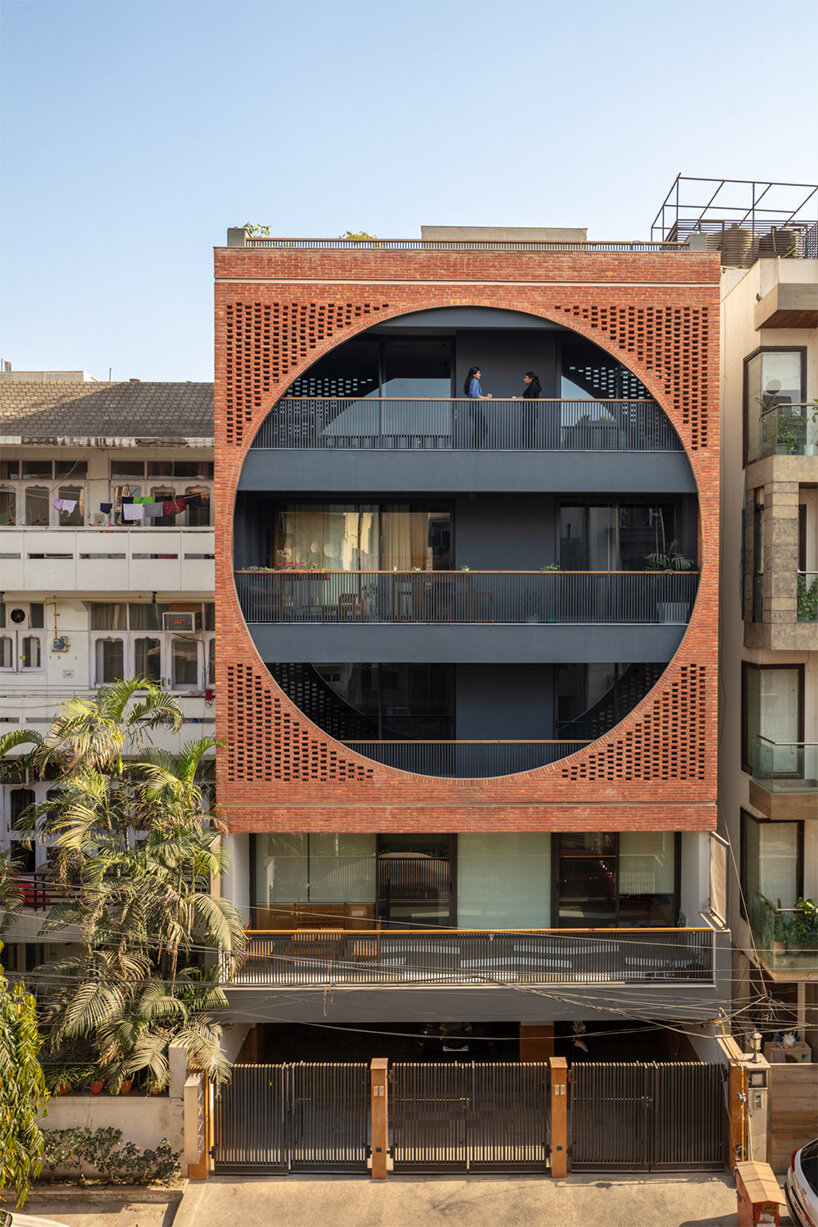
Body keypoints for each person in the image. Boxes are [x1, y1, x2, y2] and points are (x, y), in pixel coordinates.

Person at [463, 366, 490, 444]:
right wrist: (486, 398)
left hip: (474, 409)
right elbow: (475, 395)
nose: (480, 375)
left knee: (479, 427)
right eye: (478, 373)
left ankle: (476, 445)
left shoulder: (471, 381)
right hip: (476, 410)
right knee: (482, 428)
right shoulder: (474, 381)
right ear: (474, 374)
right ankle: (476, 445)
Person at [518, 370, 541, 446]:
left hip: (530, 412)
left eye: (525, 378)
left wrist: (519, 398)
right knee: (528, 430)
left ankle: (529, 447)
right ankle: (528, 446)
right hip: (530, 411)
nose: (524, 379)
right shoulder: (533, 386)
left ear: (530, 379)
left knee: (528, 430)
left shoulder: (533, 386)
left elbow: (529, 397)